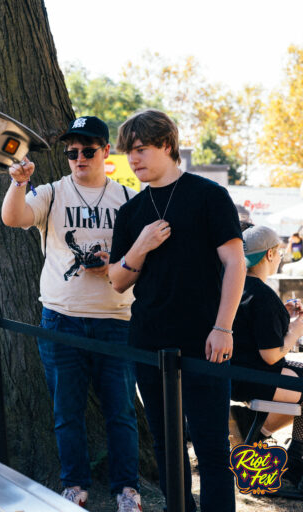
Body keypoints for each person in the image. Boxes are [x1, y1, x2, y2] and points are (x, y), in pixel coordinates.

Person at [109, 109, 245, 512]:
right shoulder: (130, 212)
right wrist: (143, 245)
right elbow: (117, 279)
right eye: (128, 152)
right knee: (168, 448)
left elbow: (235, 263)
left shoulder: (208, 195)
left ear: (167, 145)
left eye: (140, 149)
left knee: (212, 448)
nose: (132, 159)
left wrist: (224, 327)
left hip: (206, 340)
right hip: (149, 340)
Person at [2, 115, 141, 511]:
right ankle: (74, 485)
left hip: (115, 319)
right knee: (67, 411)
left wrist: (112, 263)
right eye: (72, 152)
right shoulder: (51, 192)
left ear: (105, 152)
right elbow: (13, 218)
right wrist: (18, 182)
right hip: (61, 319)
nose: (79, 158)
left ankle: (126, 488)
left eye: (88, 151)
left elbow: (139, 257)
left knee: (121, 411)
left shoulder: (128, 199)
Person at [231, 225, 303, 482]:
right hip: (256, 377)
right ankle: (295, 459)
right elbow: (271, 356)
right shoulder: (262, 295)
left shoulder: (235, 287)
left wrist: (282, 315)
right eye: (280, 253)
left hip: (234, 375)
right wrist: (296, 329)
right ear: (269, 255)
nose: (281, 258)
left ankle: (258, 432)